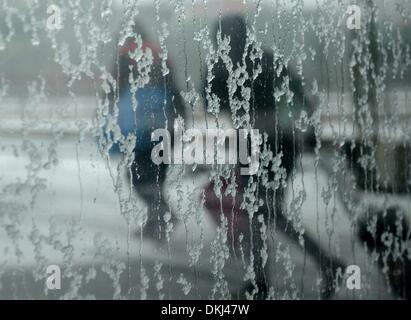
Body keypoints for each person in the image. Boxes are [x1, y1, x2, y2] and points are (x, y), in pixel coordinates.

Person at [202, 15, 345, 299]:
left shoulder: (223, 66)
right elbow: (300, 98)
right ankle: (319, 265)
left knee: (258, 211)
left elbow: (209, 101)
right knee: (265, 211)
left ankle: (266, 281)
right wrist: (309, 133)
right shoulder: (268, 60)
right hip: (283, 144)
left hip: (254, 144)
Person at [106, 22, 185, 241]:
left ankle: (161, 214)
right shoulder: (160, 54)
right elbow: (174, 90)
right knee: (157, 176)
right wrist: (181, 121)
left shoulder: (125, 56)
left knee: (136, 174)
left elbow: (113, 89)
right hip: (166, 126)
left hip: (140, 128)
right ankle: (156, 222)